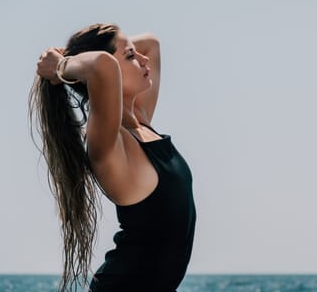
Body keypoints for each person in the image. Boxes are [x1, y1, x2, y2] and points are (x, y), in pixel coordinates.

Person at [29, 23, 196, 292]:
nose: (142, 58)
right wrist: (62, 67)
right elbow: (102, 65)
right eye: (130, 56)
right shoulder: (110, 141)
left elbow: (151, 43)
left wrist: (72, 55)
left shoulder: (140, 121)